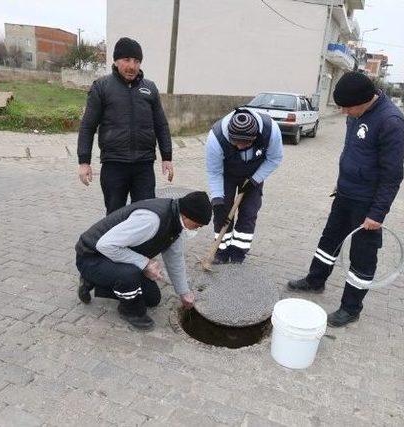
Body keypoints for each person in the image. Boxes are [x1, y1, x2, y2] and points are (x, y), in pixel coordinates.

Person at [287, 71, 404, 327]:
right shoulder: (356, 114)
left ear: (365, 100)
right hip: (344, 194)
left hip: (367, 204)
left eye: (346, 108)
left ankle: (350, 308)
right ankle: (315, 280)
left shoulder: (391, 122)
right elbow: (355, 154)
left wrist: (377, 213)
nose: (344, 113)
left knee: (362, 256)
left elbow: (392, 175)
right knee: (328, 241)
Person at [75, 191, 212, 331]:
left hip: (113, 257)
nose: (197, 229)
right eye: (197, 225)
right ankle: (129, 311)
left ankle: (95, 282)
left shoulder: (176, 223)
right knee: (129, 274)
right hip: (92, 256)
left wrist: (184, 292)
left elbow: (175, 258)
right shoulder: (151, 220)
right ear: (186, 215)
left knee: (152, 298)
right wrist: (145, 263)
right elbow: (105, 245)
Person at [77, 37, 174, 215]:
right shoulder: (101, 88)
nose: (132, 66)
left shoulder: (150, 88)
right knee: (115, 216)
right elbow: (87, 127)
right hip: (114, 165)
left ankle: (141, 245)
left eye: (137, 61)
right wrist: (84, 162)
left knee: (146, 215)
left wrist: (167, 157)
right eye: (127, 60)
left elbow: (161, 124)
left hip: (144, 165)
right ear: (116, 61)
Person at [205, 108, 283, 264]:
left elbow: (275, 158)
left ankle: (238, 252)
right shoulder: (216, 137)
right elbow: (214, 172)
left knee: (249, 212)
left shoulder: (271, 130)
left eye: (246, 143)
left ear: (255, 137)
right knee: (222, 212)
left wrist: (255, 180)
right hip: (226, 174)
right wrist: (217, 197)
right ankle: (221, 250)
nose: (240, 147)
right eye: (236, 143)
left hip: (255, 173)